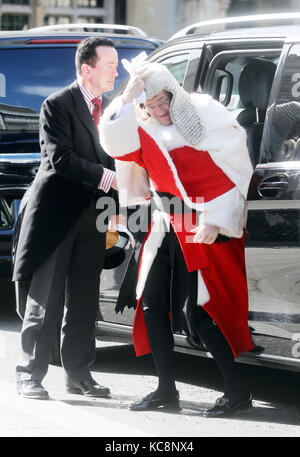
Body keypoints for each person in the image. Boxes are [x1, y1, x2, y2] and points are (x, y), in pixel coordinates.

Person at [99, 61, 255, 417]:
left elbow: (235, 171)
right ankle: (166, 390)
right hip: (162, 222)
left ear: (174, 93)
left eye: (162, 101)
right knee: (152, 306)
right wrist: (126, 97)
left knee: (199, 311)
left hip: (199, 222)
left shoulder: (206, 114)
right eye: (149, 105)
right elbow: (113, 141)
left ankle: (238, 390)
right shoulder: (142, 127)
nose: (158, 109)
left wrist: (215, 220)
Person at [13, 37, 122, 400]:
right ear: (86, 69)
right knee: (46, 299)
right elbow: (60, 158)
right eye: (110, 66)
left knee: (84, 300)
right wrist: (110, 178)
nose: (116, 71)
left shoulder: (109, 111)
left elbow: (117, 155)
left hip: (93, 215)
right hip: (56, 216)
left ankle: (79, 375)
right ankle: (29, 373)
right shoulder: (56, 104)